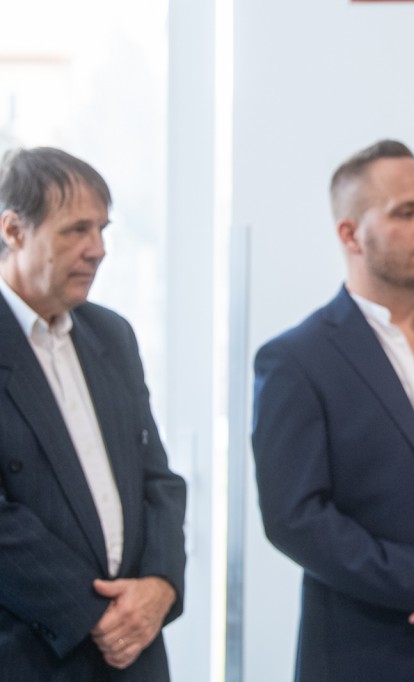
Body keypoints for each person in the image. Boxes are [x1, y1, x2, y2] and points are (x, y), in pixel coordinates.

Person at [251, 140, 414, 681]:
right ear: (350, 234)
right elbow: (294, 518)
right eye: (405, 212)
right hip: (363, 654)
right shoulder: (295, 359)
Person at [0, 147, 186, 680]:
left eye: (102, 229)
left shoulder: (112, 335)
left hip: (136, 652)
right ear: (13, 230)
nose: (98, 249)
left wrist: (161, 586)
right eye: (76, 230)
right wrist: (94, 615)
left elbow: (159, 481)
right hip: (31, 653)